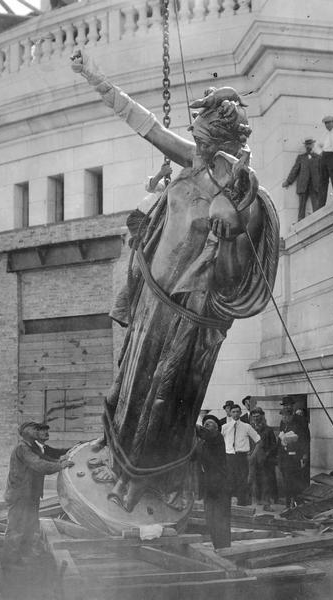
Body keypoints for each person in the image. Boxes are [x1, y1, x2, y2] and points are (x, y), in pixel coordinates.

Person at [71, 50, 279, 513]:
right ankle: (116, 458)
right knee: (130, 382)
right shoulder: (194, 162)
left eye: (202, 135)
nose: (192, 143)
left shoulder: (242, 193)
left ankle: (138, 480)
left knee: (160, 395)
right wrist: (94, 76)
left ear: (218, 139)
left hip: (186, 315)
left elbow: (236, 273)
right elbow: (144, 123)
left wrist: (230, 228)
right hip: (154, 300)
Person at [3, 422, 73, 567]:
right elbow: (39, 464)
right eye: (34, 428)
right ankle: (10, 562)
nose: (37, 430)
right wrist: (61, 465)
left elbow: (46, 459)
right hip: (20, 495)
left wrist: (60, 460)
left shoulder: (32, 447)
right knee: (16, 527)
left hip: (29, 495)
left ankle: (23, 556)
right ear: (25, 432)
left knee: (29, 525)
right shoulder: (22, 448)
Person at [195, 414, 231, 550]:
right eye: (204, 424)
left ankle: (225, 549)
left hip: (220, 486)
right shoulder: (202, 443)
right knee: (210, 520)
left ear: (216, 428)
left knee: (221, 519)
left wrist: (191, 423)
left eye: (209, 424)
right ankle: (218, 547)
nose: (206, 426)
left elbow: (206, 433)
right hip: (208, 487)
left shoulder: (217, 437)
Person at [222, 404, 260, 506]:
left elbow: (258, 441)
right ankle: (227, 505)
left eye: (237, 412)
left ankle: (242, 503)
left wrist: (252, 455)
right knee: (229, 480)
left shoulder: (246, 427)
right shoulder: (225, 427)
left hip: (242, 457)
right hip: (229, 457)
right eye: (233, 412)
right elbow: (219, 442)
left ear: (240, 413)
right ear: (230, 413)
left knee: (242, 480)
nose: (235, 414)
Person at [282, 138, 321, 221]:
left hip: (315, 185)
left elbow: (322, 171)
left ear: (313, 145)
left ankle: (318, 220)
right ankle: (300, 221)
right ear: (305, 146)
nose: (308, 146)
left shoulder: (318, 157)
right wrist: (288, 181)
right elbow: (295, 170)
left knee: (316, 205)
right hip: (303, 185)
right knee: (301, 205)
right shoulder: (301, 158)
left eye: (310, 144)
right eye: (307, 144)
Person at [277, 406, 307, 508]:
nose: (284, 418)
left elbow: (302, 441)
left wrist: (303, 455)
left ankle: (294, 502)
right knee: (286, 480)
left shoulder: (297, 426)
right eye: (283, 416)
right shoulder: (283, 425)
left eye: (286, 416)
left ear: (290, 416)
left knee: (293, 480)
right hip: (284, 457)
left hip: (293, 457)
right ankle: (288, 502)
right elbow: (279, 441)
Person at [249, 409, 277, 511]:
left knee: (266, 481)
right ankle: (256, 501)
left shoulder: (268, 430)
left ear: (262, 416)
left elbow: (273, 444)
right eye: (254, 416)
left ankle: (266, 503)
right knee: (254, 480)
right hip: (253, 459)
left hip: (265, 460)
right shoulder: (249, 429)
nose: (256, 418)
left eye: (258, 416)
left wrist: (267, 453)